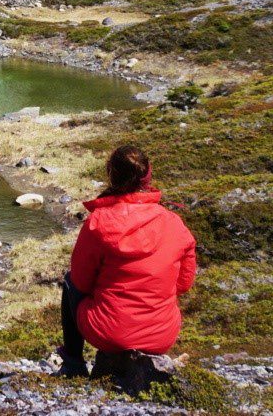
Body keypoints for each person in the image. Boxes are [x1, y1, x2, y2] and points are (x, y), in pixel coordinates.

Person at [57, 144, 197, 380]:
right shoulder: (174, 223)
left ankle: (73, 364)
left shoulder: (98, 222)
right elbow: (183, 285)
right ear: (147, 175)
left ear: (111, 174)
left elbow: (81, 282)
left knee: (70, 282)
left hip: (108, 333)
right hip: (162, 335)